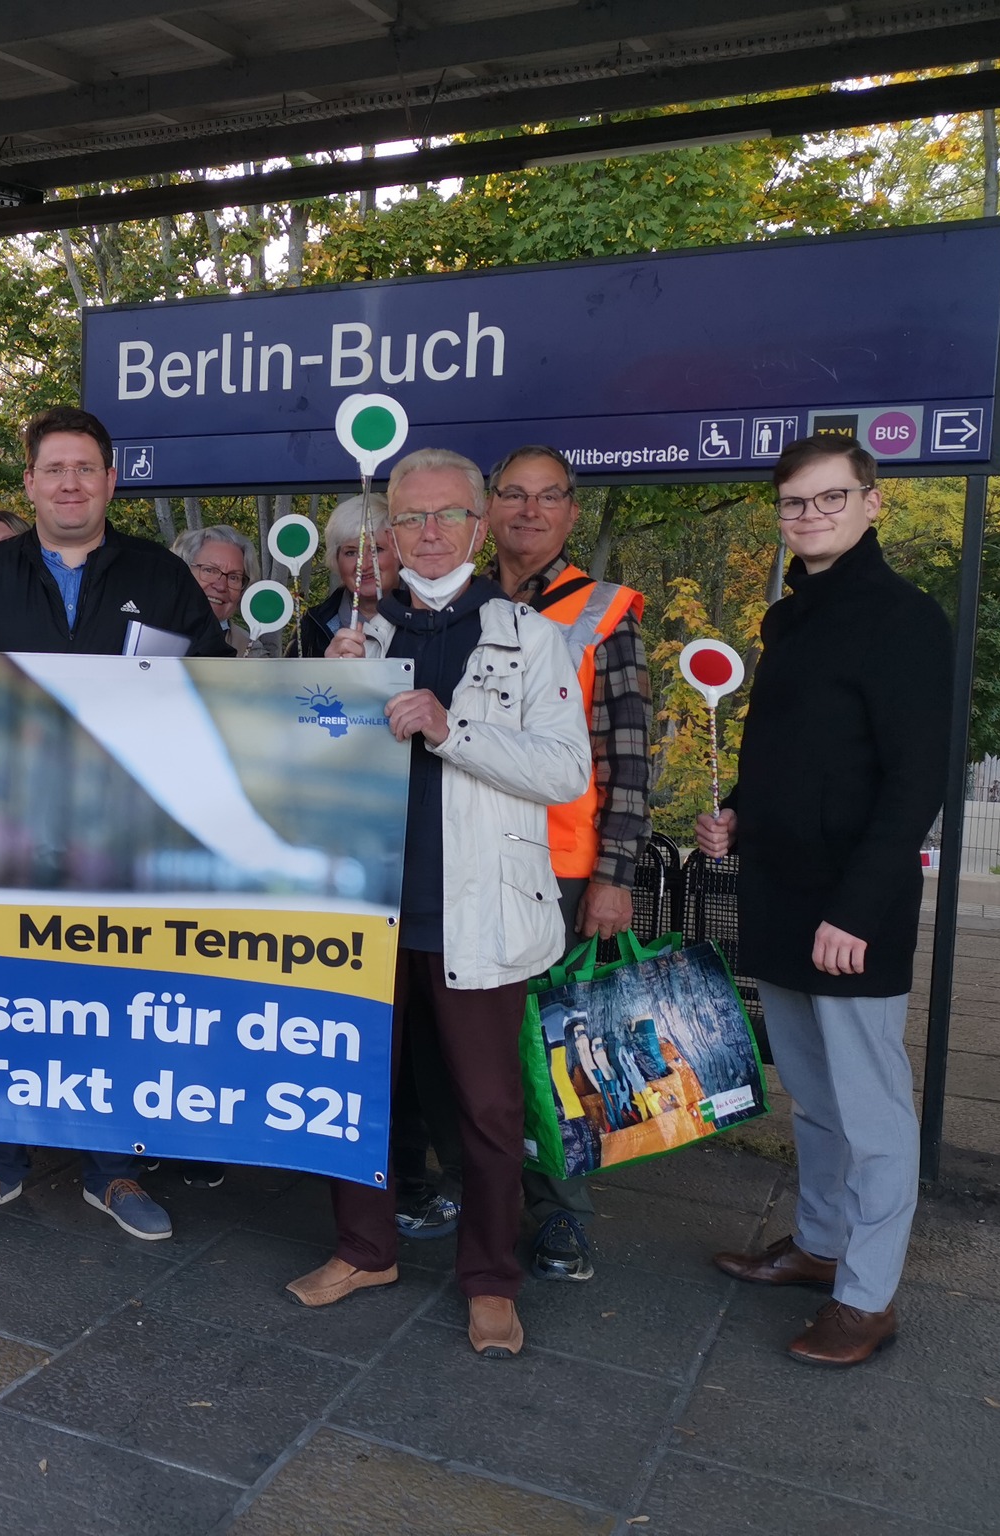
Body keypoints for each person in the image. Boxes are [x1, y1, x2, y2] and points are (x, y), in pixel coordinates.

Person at [288, 447, 589, 1360]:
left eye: (445, 516)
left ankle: (491, 1280)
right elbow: (303, 773)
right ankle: (364, 1249)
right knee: (355, 1092)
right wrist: (322, 701)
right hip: (366, 908)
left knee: (489, 1110)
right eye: (407, 519)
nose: (425, 534)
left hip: (478, 912)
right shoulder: (354, 628)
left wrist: (453, 730)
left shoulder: (527, 635)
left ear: (478, 523)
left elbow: (565, 769)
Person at [0, 405, 224, 1242]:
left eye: (85, 469)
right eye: (53, 469)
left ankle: (112, 1169)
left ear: (110, 481)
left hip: (117, 833)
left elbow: (218, 691)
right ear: (29, 482)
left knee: (110, 1003)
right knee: (1, 1001)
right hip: (3, 832)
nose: (69, 483)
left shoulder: (162, 576)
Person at [701, 436, 952, 1368]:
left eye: (830, 498)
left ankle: (867, 1296)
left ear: (871, 503)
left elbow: (913, 779)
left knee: (874, 1111)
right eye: (794, 503)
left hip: (854, 911)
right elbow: (796, 759)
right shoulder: (789, 618)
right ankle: (818, 1246)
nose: (810, 515)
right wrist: (731, 815)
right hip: (780, 894)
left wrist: (855, 910)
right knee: (810, 1095)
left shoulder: (905, 618)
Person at [483, 444, 653, 1283]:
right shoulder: (461, 597)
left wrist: (616, 876)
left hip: (564, 867)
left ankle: (561, 1217)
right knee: (480, 1047)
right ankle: (482, 1198)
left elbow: (630, 754)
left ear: (571, 512)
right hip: (471, 856)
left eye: (547, 497)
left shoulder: (605, 609)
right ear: (489, 507)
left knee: (553, 1052)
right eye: (512, 495)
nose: (528, 511)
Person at [292, 494, 398, 658]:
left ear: (399, 552)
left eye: (376, 549)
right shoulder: (311, 626)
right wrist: (328, 674)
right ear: (336, 560)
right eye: (351, 552)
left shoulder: (425, 617)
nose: (364, 564)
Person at [171, 524, 259, 655]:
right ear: (181, 572)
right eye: (209, 570)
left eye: (234, 577)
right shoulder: (147, 632)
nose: (221, 586)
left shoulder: (250, 651)